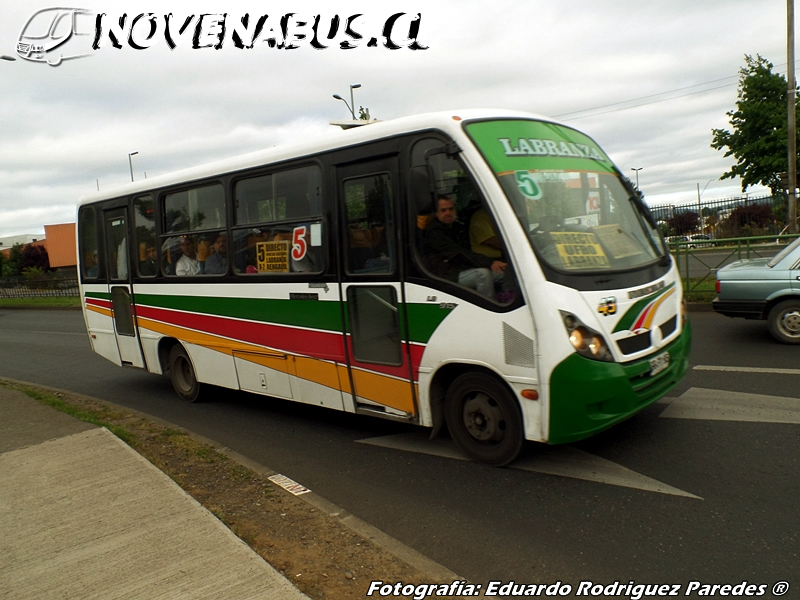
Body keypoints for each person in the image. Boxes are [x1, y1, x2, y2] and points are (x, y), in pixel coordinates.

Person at [423, 196, 506, 298]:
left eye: (451, 209)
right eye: (443, 210)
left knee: (503, 273)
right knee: (483, 275)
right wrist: (490, 263)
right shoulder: (435, 233)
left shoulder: (457, 227)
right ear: (437, 213)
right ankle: (488, 311)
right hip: (446, 274)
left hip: (463, 268)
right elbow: (459, 254)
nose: (448, 213)